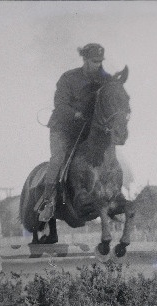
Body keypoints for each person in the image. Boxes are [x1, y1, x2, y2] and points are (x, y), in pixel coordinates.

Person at [36, 43, 112, 225]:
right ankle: (48, 202)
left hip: (87, 131)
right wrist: (77, 114)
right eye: (94, 61)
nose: (98, 65)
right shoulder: (68, 78)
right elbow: (60, 105)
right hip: (63, 128)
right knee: (58, 158)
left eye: (100, 61)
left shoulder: (105, 79)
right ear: (85, 60)